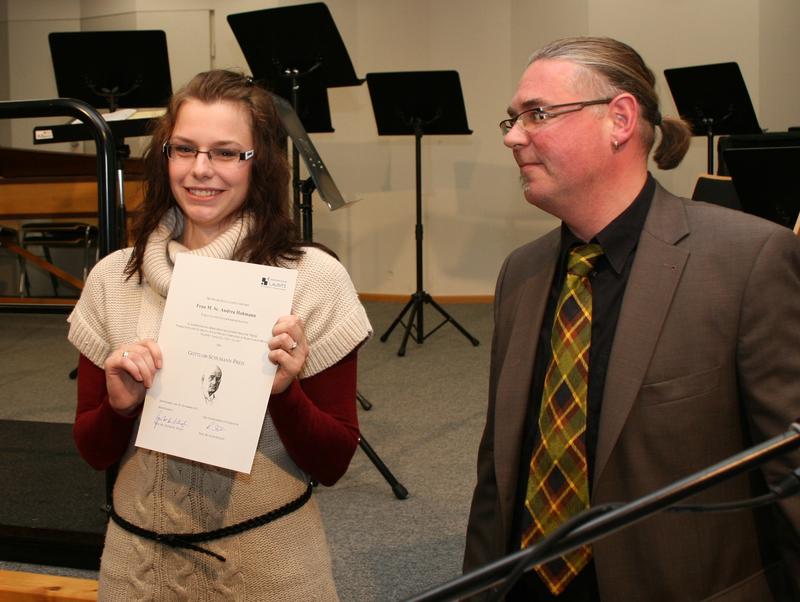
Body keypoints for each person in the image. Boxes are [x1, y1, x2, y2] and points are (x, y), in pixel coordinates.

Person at [463, 37, 800, 601]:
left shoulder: (748, 262)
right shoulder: (520, 274)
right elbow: (499, 474)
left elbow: (789, 473)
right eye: (512, 118)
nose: (512, 136)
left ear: (619, 119)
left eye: (536, 114)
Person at [68, 69, 372, 600]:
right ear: (165, 156)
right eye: (184, 149)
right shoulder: (114, 278)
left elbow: (333, 461)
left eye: (227, 153)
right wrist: (119, 407)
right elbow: (94, 452)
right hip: (137, 570)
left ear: (261, 164)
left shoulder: (313, 280)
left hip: (267, 567)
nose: (200, 170)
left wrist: (285, 393)